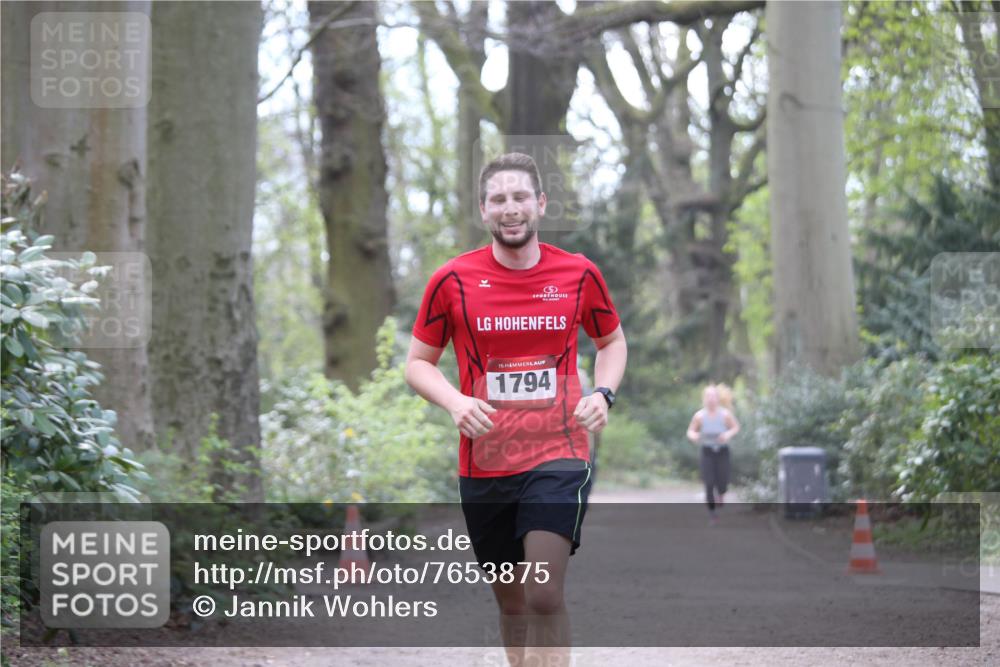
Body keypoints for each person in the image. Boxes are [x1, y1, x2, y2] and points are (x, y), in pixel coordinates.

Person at [405, 152, 627, 667]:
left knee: (543, 593)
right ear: (484, 210)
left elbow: (612, 341)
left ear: (540, 204)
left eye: (520, 196)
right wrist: (455, 401)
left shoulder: (578, 274)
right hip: (484, 462)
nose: (511, 208)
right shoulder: (452, 281)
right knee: (513, 603)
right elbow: (418, 363)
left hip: (560, 449)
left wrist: (602, 392)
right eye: (499, 199)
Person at [686, 384, 740, 524]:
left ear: (717, 398)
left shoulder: (725, 414)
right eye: (708, 396)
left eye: (713, 396)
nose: (711, 399)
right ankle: (712, 514)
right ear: (704, 399)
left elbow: (735, 427)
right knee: (708, 483)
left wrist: (727, 435)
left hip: (722, 451)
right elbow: (690, 431)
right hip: (707, 451)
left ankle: (721, 494)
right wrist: (695, 436)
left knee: (722, 481)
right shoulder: (699, 416)